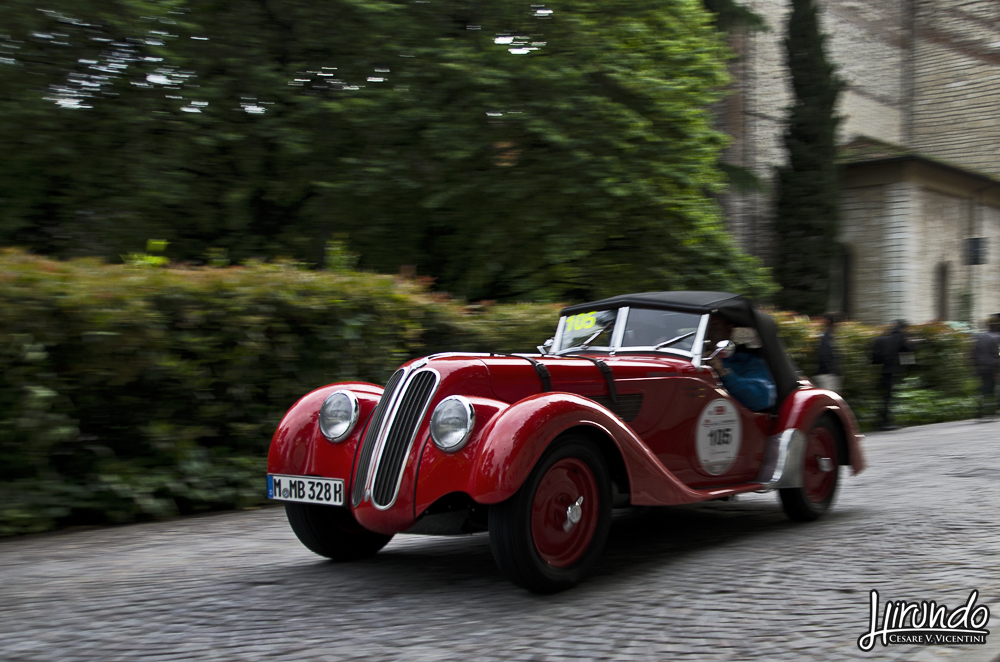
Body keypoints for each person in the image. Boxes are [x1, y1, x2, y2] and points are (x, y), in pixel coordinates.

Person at [704, 314, 776, 412]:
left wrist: (723, 373)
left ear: (728, 330)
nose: (706, 333)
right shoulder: (686, 359)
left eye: (713, 326)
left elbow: (761, 398)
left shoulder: (747, 361)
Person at [872, 320, 912, 430]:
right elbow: (907, 351)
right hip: (891, 370)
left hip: (882, 370)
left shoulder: (887, 337)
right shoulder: (900, 337)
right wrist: (908, 370)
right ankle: (884, 422)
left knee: (884, 396)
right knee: (887, 397)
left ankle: (880, 420)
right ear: (903, 328)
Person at [971, 316, 1000, 418]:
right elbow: (997, 355)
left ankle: (980, 409)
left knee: (985, 389)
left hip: (982, 368)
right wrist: (997, 371)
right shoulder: (997, 338)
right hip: (993, 368)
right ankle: (994, 409)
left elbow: (974, 354)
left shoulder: (980, 337)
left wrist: (976, 367)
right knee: (995, 389)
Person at [814, 312, 843, 393]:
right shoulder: (828, 337)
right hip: (828, 375)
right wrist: (832, 370)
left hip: (827, 374)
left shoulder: (824, 335)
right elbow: (825, 355)